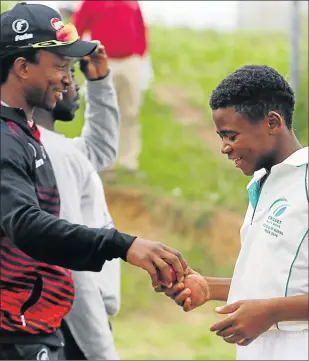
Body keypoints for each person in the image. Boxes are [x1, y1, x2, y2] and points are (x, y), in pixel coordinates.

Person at [0, 3, 187, 360]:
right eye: (59, 67)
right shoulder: (8, 139)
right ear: (22, 68)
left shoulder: (28, 136)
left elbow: (99, 149)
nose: (68, 79)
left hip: (40, 331)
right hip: (21, 338)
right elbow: (28, 226)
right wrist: (123, 245)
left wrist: (100, 84)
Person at [157, 65, 308, 360]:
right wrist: (208, 287)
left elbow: (272, 304)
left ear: (273, 123)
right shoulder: (263, 182)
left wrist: (270, 313)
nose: (225, 148)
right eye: (221, 136)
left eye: (231, 135)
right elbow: (279, 282)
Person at [35, 45, 121, 359]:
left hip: (66, 321)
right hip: (71, 323)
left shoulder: (49, 148)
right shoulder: (53, 154)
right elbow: (73, 264)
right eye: (66, 70)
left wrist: (99, 82)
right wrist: (104, 353)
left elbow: (100, 148)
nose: (73, 83)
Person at [73, 0, 149, 174]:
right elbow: (78, 27)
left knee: (130, 112)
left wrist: (141, 53)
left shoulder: (132, 2)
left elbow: (140, 26)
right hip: (103, 61)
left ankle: (129, 160)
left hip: (130, 61)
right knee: (102, 110)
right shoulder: (90, 2)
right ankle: (103, 160)